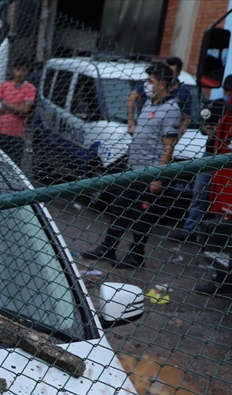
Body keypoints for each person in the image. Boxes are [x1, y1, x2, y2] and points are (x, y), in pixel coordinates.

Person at [83, 62, 183, 269]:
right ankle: (108, 248)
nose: (146, 85)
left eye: (151, 81)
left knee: (141, 217)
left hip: (149, 173)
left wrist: (158, 176)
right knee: (119, 209)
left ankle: (136, 255)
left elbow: (168, 146)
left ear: (162, 84)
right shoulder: (149, 103)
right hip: (132, 170)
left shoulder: (171, 109)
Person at [178, 74, 232, 241]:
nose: (228, 93)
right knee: (200, 193)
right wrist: (213, 130)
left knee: (224, 198)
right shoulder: (217, 104)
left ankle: (217, 236)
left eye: (230, 91)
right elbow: (205, 128)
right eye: (227, 90)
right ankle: (189, 231)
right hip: (211, 152)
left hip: (229, 156)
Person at [126, 55, 192, 138]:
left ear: (178, 74)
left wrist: (176, 136)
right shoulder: (150, 86)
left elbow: (186, 117)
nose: (167, 74)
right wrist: (131, 124)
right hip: (145, 132)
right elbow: (132, 97)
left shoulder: (184, 92)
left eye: (171, 72)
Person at [0, 59, 36, 165]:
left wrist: (6, 104)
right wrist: (16, 108)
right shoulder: (4, 86)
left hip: (17, 134)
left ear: (27, 71)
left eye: (23, 70)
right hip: (0, 131)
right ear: (13, 70)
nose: (20, 73)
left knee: (13, 164)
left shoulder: (30, 88)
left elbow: (25, 110)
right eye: (18, 70)